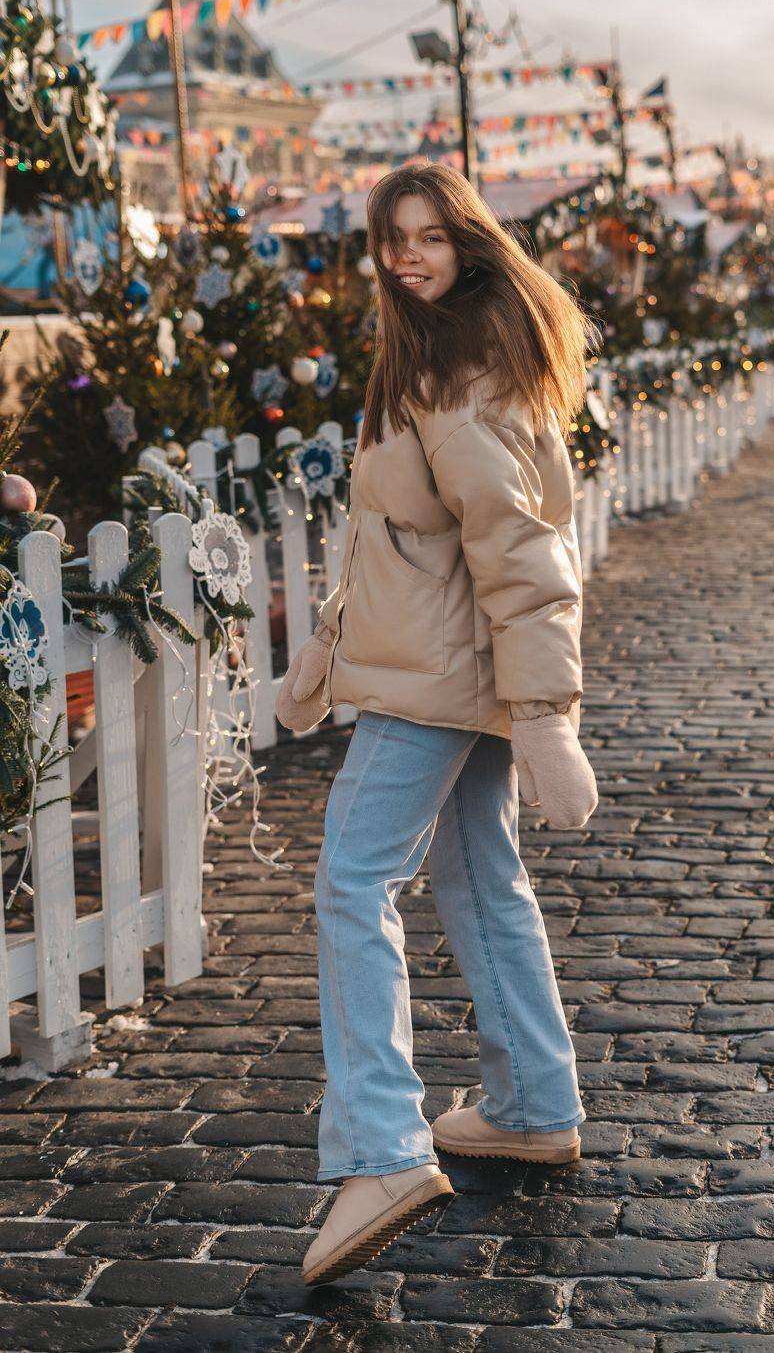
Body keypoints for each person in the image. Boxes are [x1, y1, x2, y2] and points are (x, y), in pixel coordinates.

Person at [276, 160, 599, 1285]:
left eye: (430, 236)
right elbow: (403, 544)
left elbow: (521, 554)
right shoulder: (441, 356)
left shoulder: (460, 374)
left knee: (351, 879)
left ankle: (380, 1152)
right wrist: (327, 646)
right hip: (455, 673)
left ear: (468, 241)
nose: (409, 256)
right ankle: (532, 1103)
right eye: (393, 238)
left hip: (444, 683)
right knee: (476, 872)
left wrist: (547, 715)